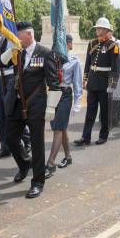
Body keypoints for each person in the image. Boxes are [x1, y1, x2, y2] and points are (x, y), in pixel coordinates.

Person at [0, 21, 58, 198]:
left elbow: (54, 83)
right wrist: (11, 51)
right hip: (17, 103)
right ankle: (25, 164)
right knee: (10, 138)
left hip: (36, 105)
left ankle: (38, 182)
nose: (16, 38)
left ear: (29, 35)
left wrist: (51, 107)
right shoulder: (18, 52)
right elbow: (2, 64)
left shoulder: (45, 53)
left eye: (19, 35)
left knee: (37, 143)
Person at [0, 31, 31, 158]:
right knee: (0, 114)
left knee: (10, 112)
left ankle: (27, 139)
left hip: (10, 76)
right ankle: (5, 146)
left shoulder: (13, 37)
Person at [74, 17, 120, 146]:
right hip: (93, 82)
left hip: (105, 83)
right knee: (90, 112)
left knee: (105, 112)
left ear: (106, 30)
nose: (97, 30)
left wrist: (112, 85)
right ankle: (85, 137)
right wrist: (85, 80)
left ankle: (103, 136)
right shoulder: (92, 43)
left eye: (99, 28)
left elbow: (115, 67)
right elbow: (88, 63)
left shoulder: (113, 46)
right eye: (97, 28)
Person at [45, 34, 83, 179]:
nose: (69, 44)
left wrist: (78, 102)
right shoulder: (52, 59)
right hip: (53, 93)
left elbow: (78, 83)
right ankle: (68, 157)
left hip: (66, 94)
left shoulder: (74, 61)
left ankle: (50, 163)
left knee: (58, 129)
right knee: (61, 127)